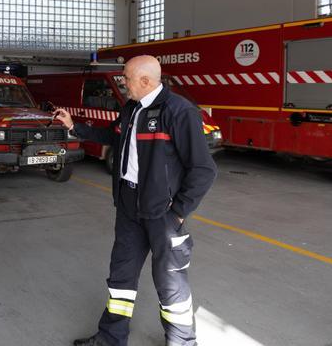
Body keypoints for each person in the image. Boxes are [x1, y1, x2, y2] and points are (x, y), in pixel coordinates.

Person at [54, 55, 217, 346]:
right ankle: (110, 338)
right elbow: (113, 136)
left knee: (170, 283)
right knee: (121, 276)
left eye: (126, 78)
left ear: (145, 81)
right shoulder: (131, 108)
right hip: (129, 204)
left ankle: (182, 342)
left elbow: (203, 169)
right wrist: (73, 127)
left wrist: (178, 213)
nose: (122, 83)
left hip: (163, 212)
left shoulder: (178, 111)